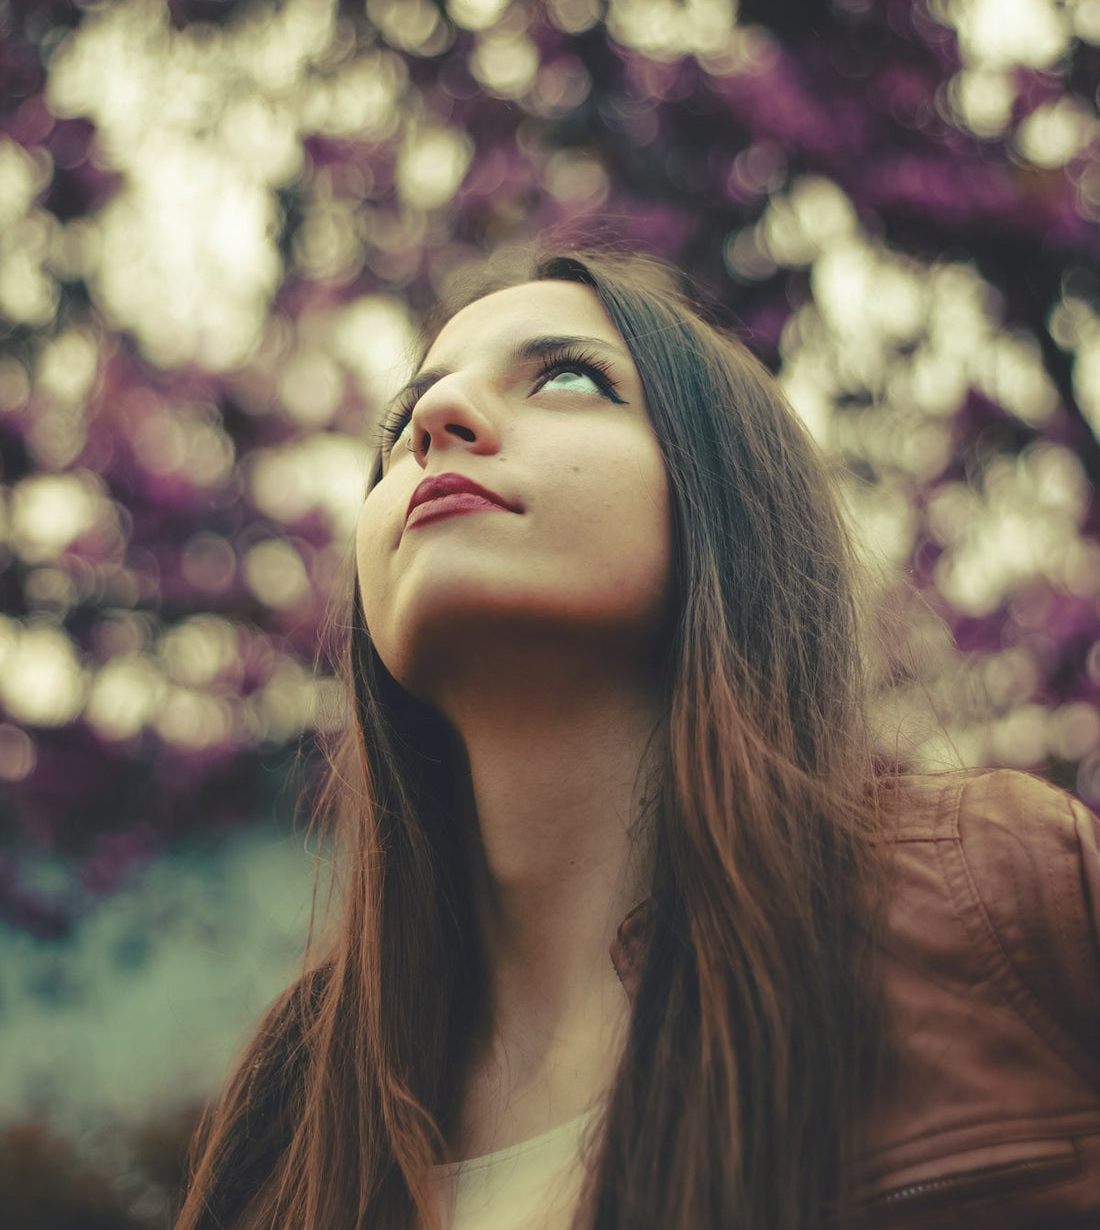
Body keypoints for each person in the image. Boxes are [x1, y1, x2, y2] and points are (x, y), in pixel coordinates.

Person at [174, 245, 1100, 1230]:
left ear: (727, 504)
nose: (435, 421)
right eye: (401, 426)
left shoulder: (995, 899)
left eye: (568, 379)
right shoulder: (290, 1109)